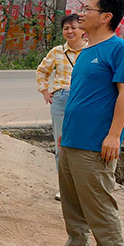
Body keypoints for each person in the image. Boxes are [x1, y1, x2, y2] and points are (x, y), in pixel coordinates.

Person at [45, 0, 124, 246]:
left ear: (106, 16)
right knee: (72, 200)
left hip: (97, 143)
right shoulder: (86, 51)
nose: (82, 13)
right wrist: (66, 131)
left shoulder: (121, 50)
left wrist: (113, 135)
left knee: (99, 204)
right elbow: (82, 96)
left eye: (88, 9)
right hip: (72, 138)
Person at [36, 14, 88, 201]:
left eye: (74, 27)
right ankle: (64, 188)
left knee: (83, 144)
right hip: (61, 100)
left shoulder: (91, 50)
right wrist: (45, 91)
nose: (70, 31)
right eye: (66, 28)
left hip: (84, 100)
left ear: (83, 30)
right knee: (61, 145)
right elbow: (42, 71)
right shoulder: (57, 52)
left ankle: (82, 188)